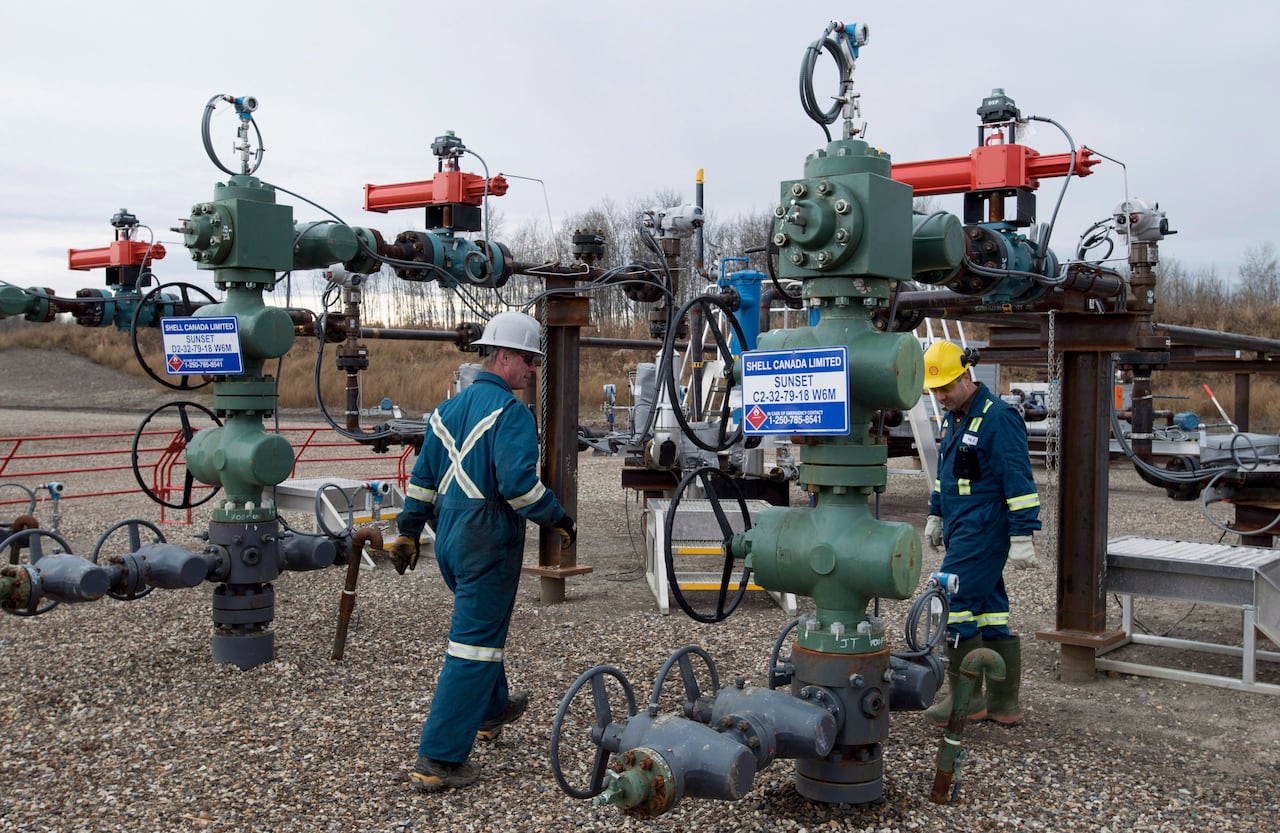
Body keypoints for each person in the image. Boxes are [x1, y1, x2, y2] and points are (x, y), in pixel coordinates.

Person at [389, 311, 577, 793]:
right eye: (530, 361)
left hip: (450, 537)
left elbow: (423, 481)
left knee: (482, 629)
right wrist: (557, 516)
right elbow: (518, 488)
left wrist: (409, 531)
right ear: (504, 356)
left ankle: (492, 711)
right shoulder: (512, 414)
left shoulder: (445, 411)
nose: (534, 370)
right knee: (471, 646)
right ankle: (439, 758)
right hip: (488, 539)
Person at [920, 340, 1040, 727]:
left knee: (950, 603)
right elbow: (946, 476)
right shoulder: (953, 417)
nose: (941, 397)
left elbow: (1018, 478)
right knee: (989, 612)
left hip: (984, 528)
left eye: (947, 388)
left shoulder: (998, 417)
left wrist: (1022, 535)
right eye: (935, 390)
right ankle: (1004, 703)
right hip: (962, 526)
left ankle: (966, 700)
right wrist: (936, 514)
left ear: (967, 376)